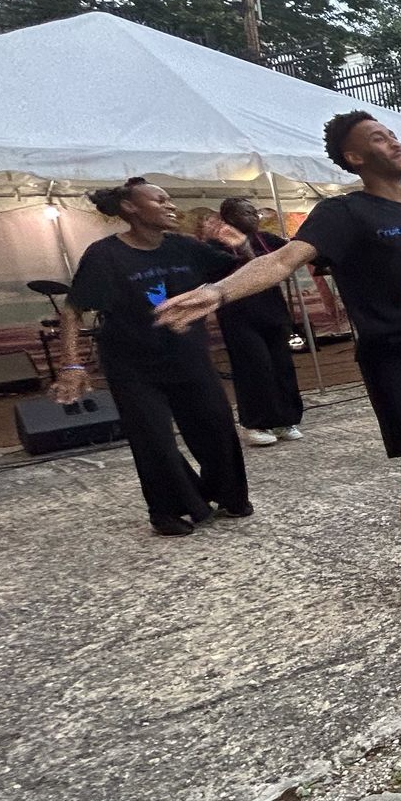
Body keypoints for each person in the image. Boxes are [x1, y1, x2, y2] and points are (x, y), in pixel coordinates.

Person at [153, 112, 401, 615]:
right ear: (355, 157)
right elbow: (282, 260)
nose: (394, 142)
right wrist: (218, 290)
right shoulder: (344, 213)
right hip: (396, 356)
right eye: (378, 137)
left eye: (393, 134)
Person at [55, 179, 254, 536]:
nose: (170, 205)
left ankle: (228, 496)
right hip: (133, 365)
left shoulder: (185, 247)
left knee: (216, 429)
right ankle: (167, 510)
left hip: (189, 357)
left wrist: (243, 247)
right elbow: (72, 310)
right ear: (131, 208)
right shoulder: (105, 255)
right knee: (153, 440)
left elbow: (244, 274)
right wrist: (71, 365)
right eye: (159, 199)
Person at [212, 196, 304, 446]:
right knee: (254, 368)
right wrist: (243, 250)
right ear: (230, 217)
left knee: (281, 366)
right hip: (239, 317)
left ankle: (286, 419)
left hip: (272, 312)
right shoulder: (215, 246)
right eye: (247, 213)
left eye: (255, 213)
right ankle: (255, 424)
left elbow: (278, 270)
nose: (254, 217)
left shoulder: (270, 241)